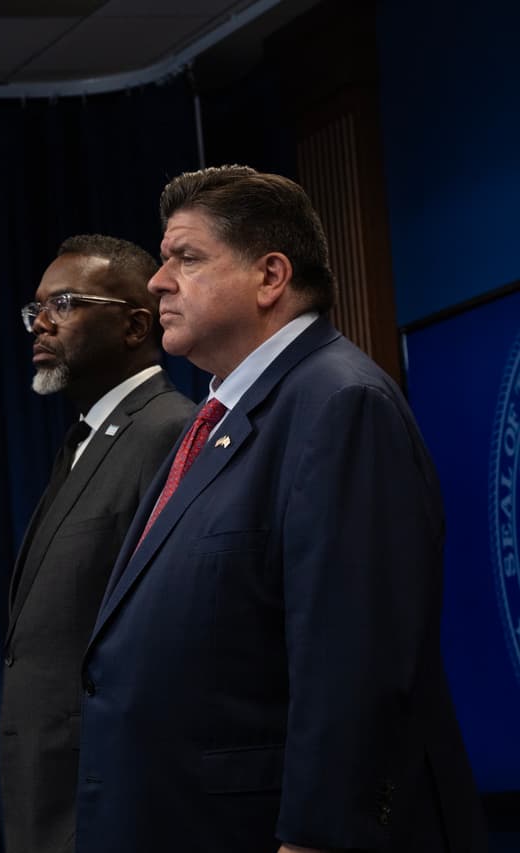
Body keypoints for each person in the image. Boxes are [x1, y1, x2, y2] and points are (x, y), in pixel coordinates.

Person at [74, 166, 487, 852]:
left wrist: (318, 835)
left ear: (271, 277)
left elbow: (356, 658)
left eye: (187, 256)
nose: (157, 280)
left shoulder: (339, 403)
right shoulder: (213, 423)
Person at [0, 235, 193, 853]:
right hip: (50, 793)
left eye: (63, 303)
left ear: (136, 325)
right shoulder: (83, 440)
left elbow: (172, 633)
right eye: (37, 309)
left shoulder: (170, 432)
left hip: (110, 799)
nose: (41, 325)